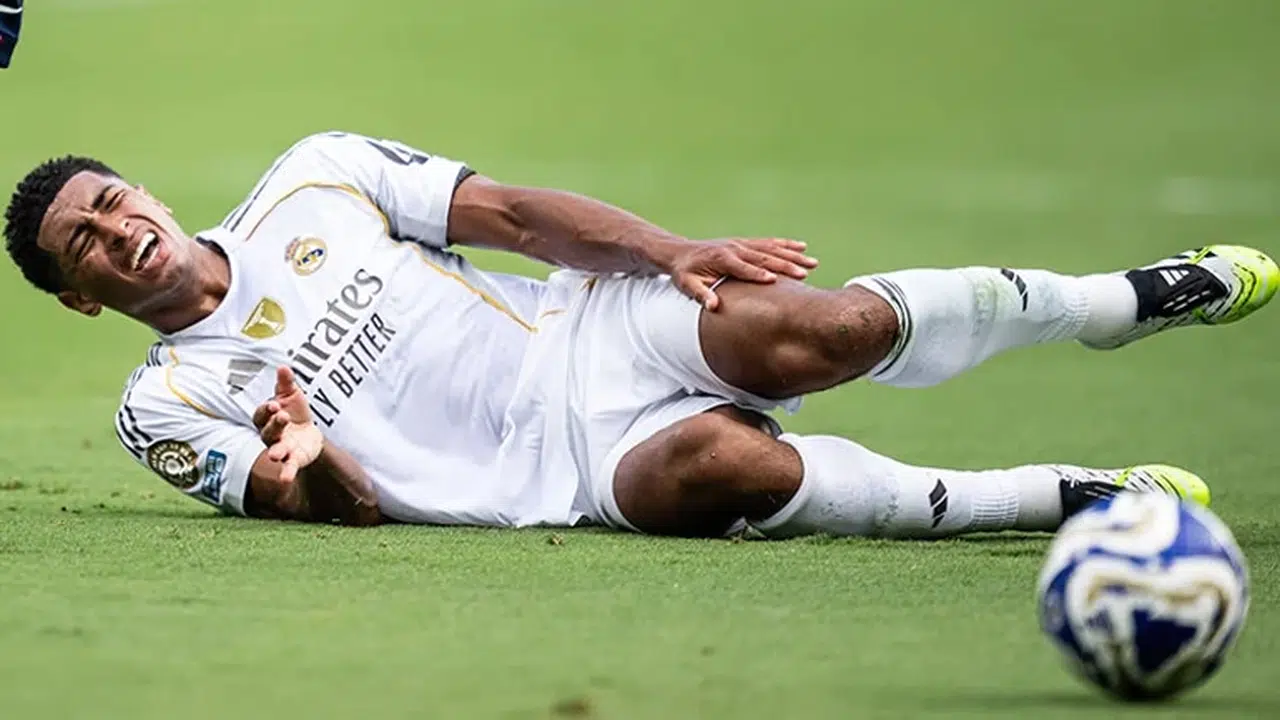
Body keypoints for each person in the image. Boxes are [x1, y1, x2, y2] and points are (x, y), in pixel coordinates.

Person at [4, 131, 1275, 538]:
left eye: (111, 204)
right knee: (735, 466)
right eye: (85, 248)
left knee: (829, 328)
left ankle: (1120, 302)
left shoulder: (312, 178)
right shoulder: (162, 404)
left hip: (588, 328)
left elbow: (511, 215)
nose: (116, 234)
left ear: (143, 190)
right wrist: (305, 459)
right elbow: (337, 506)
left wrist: (666, 251)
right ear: (79, 298)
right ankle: (1063, 497)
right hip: (552, 475)